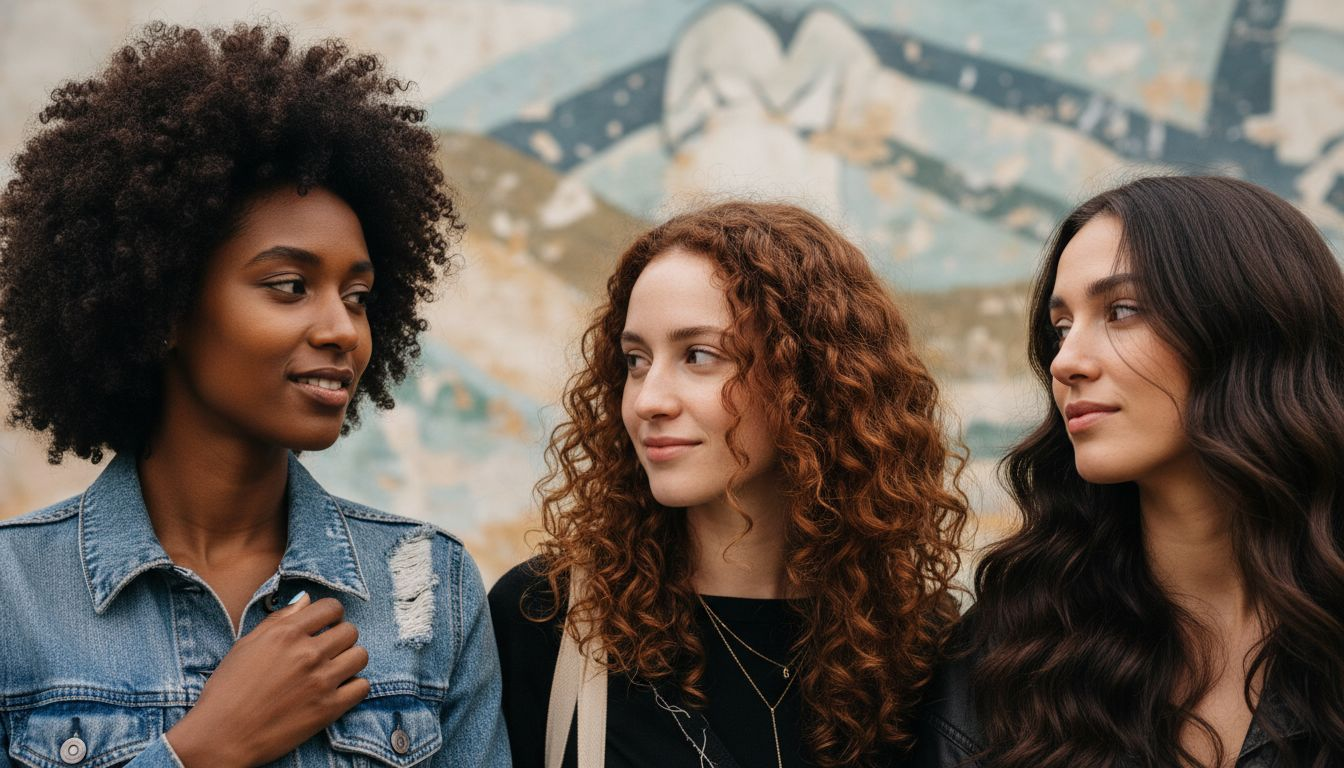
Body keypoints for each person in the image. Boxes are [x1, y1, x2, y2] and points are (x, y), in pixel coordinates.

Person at [0, 23, 509, 767]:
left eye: (359, 295)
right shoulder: (15, 597)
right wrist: (201, 751)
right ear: (165, 307)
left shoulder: (427, 585)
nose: (343, 329)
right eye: (290, 286)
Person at [489, 201, 969, 768]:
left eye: (698, 355)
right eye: (636, 360)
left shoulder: (915, 643)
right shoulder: (547, 618)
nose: (648, 400)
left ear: (808, 378)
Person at [914, 176, 1344, 767]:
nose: (1066, 361)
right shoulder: (1012, 657)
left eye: (1121, 311)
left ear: (1248, 328)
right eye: (1061, 328)